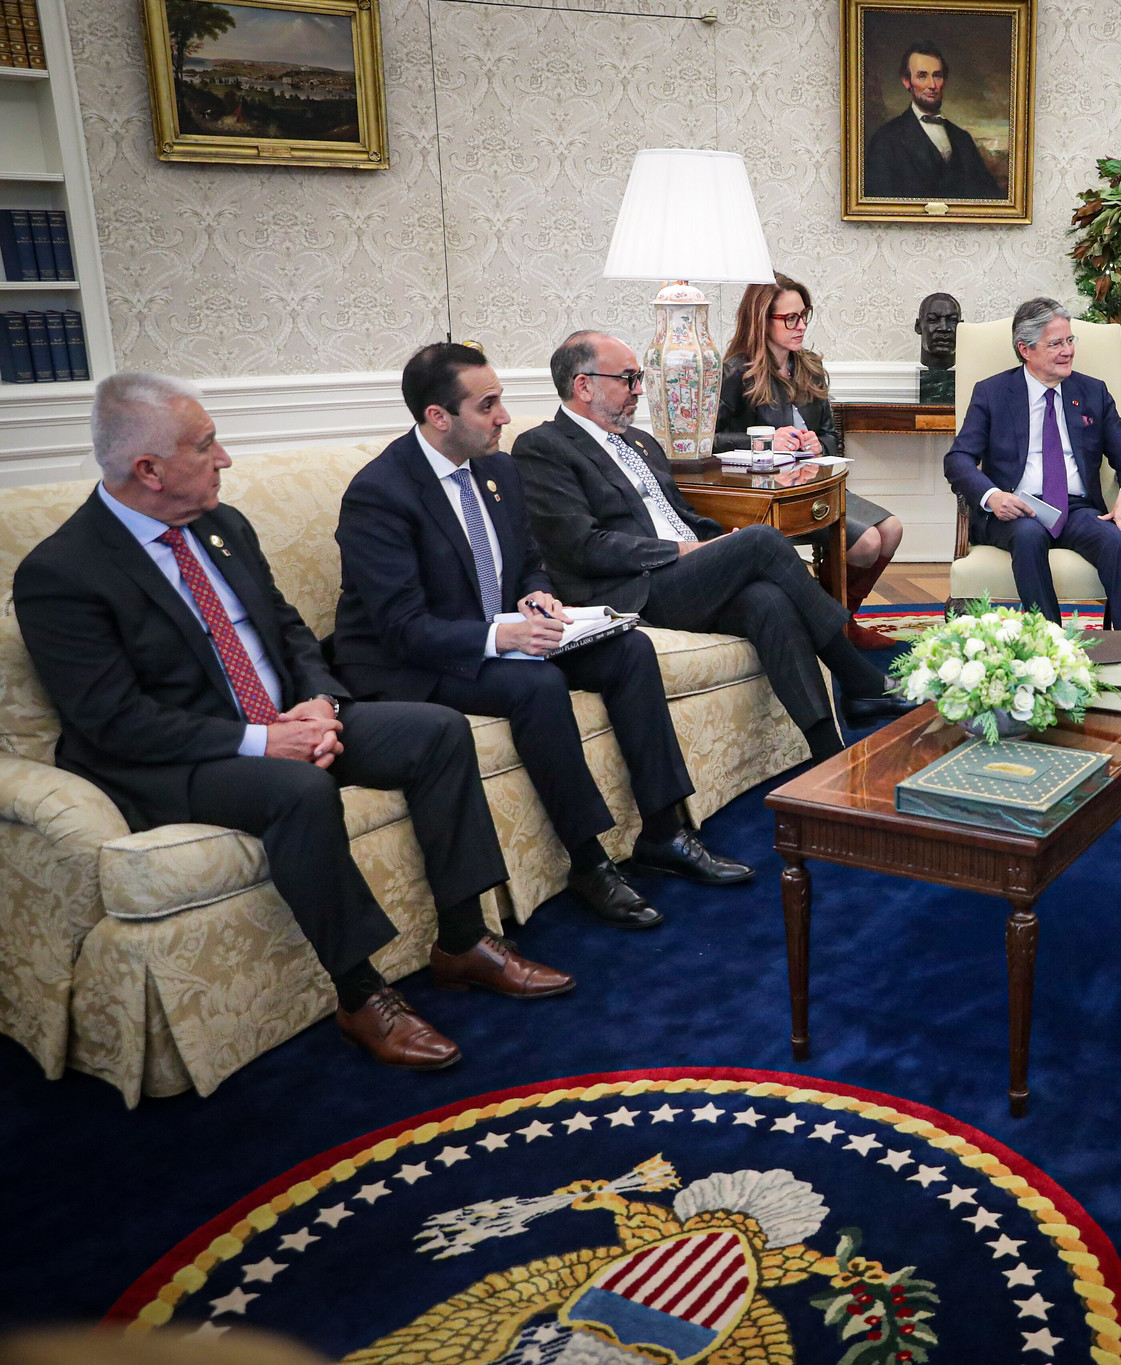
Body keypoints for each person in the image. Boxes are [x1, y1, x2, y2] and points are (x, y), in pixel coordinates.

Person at [13, 373, 571, 1071]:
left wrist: (319, 702)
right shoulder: (62, 572)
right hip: (179, 757)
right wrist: (264, 740)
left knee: (435, 730)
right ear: (147, 470)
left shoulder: (222, 524)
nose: (225, 459)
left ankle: (463, 941)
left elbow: (288, 630)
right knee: (299, 790)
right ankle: (361, 994)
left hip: (285, 719)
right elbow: (113, 721)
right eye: (206, 445)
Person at [332, 343, 756, 935]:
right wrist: (503, 633)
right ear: (438, 416)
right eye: (488, 405)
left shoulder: (498, 470)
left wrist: (535, 595)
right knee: (535, 683)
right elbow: (402, 628)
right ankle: (588, 862)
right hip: (411, 659)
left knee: (628, 649)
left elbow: (529, 561)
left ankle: (665, 831)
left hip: (506, 630)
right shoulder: (381, 493)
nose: (505, 415)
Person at [518, 330, 915, 761]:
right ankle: (859, 680)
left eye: (638, 378)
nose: (638, 390)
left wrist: (716, 543)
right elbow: (584, 546)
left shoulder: (641, 442)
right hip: (632, 589)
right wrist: (687, 552)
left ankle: (826, 754)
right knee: (761, 539)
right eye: (628, 379)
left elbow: (682, 516)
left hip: (683, 574)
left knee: (766, 600)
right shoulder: (543, 447)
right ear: (584, 385)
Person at [712, 275, 906, 650]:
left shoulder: (809, 367)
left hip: (815, 485)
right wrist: (763, 441)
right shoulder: (737, 372)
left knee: (892, 529)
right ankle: (830, 624)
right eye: (790, 318)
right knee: (866, 543)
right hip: (768, 495)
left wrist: (819, 443)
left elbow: (833, 439)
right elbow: (711, 440)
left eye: (805, 316)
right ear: (761, 319)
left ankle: (839, 621)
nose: (801, 326)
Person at [943, 297, 1121, 630]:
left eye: (1069, 340)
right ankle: (1049, 647)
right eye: (1056, 344)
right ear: (1026, 350)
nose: (1067, 350)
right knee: (1028, 536)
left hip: (1078, 509)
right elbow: (958, 459)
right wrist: (993, 496)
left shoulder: (1092, 392)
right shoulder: (993, 393)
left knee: (1116, 542)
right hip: (1015, 509)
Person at [862, 41, 1003, 201]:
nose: (932, 85)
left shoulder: (962, 139)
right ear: (906, 82)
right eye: (922, 76)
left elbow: (991, 198)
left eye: (937, 75)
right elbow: (878, 204)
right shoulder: (886, 139)